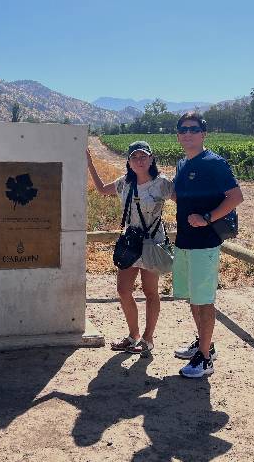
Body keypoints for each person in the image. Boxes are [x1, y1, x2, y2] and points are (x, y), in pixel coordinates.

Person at [172, 111, 244, 378]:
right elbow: (180, 197)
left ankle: (204, 360)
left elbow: (236, 197)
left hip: (205, 243)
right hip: (184, 242)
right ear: (178, 135)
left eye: (193, 129)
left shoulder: (214, 163)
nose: (187, 134)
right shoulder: (182, 164)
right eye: (183, 130)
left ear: (203, 133)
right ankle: (205, 345)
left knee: (204, 300)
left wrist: (207, 217)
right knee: (193, 296)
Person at [87, 141, 174, 354]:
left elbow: (184, 200)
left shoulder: (162, 183)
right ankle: (133, 335)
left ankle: (148, 338)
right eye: (135, 157)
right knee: (123, 290)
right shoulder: (124, 182)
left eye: (144, 156)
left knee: (150, 291)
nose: (140, 160)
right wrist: (89, 163)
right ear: (129, 162)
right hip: (131, 243)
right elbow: (101, 189)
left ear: (152, 159)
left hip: (152, 243)